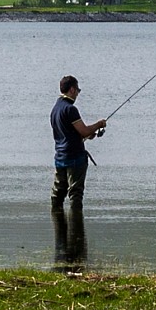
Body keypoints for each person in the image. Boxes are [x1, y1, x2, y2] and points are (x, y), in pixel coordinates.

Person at [50, 74, 106, 215]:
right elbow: (84, 130)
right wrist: (99, 124)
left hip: (60, 157)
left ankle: (58, 227)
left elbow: (76, 133)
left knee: (58, 193)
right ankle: (76, 228)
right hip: (74, 158)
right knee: (75, 194)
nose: (78, 94)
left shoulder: (55, 108)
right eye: (78, 90)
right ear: (73, 90)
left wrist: (90, 134)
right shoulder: (70, 109)